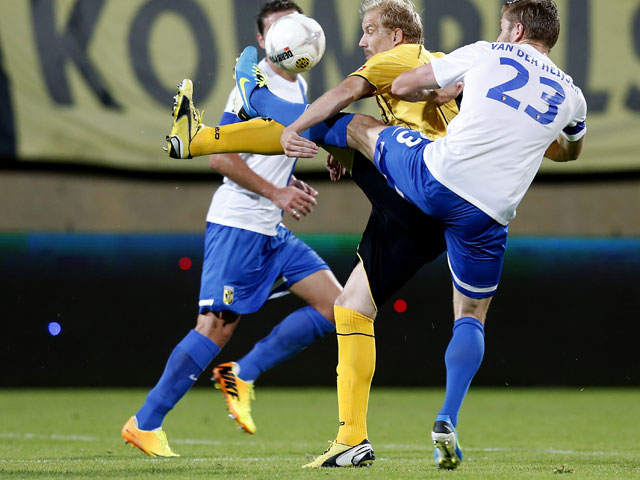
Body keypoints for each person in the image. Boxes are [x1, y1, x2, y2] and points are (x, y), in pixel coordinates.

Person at [246, 0, 586, 469]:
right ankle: (443, 418)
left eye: (504, 25)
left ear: (517, 28)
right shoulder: (573, 96)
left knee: (362, 127)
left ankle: (258, 104)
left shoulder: (488, 52)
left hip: (433, 179)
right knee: (468, 314)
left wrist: (450, 89)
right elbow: (568, 151)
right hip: (488, 215)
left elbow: (404, 85)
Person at [167, 0, 462, 467]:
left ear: (397, 36)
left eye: (369, 31)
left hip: (421, 187)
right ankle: (352, 440)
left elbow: (345, 93)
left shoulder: (405, 57)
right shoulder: (437, 67)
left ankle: (233, 112)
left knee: (344, 121)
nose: (363, 41)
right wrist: (344, 152)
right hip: (426, 218)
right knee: (350, 308)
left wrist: (298, 130)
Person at [121, 0, 342, 457]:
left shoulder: (298, 82)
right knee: (216, 325)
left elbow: (269, 149)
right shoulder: (253, 85)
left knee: (338, 308)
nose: (292, 36)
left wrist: (286, 179)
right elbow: (223, 158)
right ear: (263, 41)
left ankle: (242, 372)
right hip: (240, 221)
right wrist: (276, 192)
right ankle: (145, 423)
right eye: (280, 30)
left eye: (297, 26)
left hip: (272, 230)